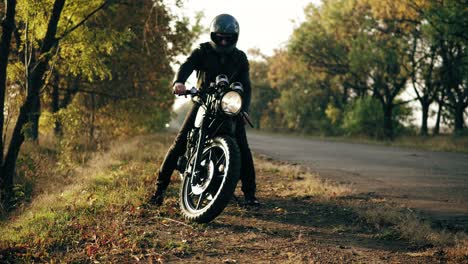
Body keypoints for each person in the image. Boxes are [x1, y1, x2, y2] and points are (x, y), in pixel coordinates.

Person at [150, 14, 259, 206]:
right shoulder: (203, 51)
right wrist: (179, 81)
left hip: (228, 105)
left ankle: (250, 196)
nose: (224, 41)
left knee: (242, 147)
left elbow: (246, 85)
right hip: (203, 101)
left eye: (228, 37)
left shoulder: (240, 57)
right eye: (220, 37)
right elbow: (186, 66)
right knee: (180, 142)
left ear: (235, 37)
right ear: (213, 35)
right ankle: (159, 190)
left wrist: (245, 108)